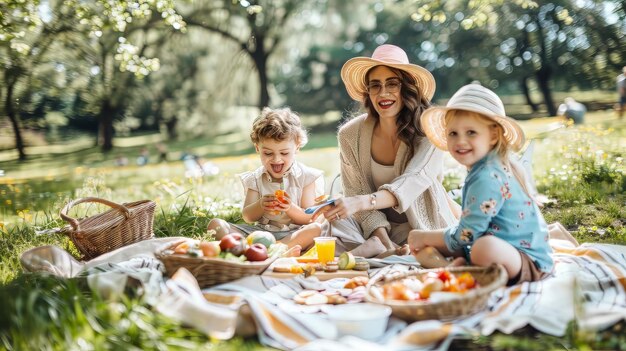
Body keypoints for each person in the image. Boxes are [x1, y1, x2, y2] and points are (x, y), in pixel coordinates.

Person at [312, 44, 460, 258]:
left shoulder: (430, 128)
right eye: (375, 85)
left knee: (430, 246)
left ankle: (372, 252)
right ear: (368, 92)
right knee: (335, 221)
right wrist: (384, 240)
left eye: (392, 84)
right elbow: (356, 190)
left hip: (420, 225)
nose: (383, 93)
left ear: (407, 87)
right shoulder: (349, 135)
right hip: (373, 228)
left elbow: (413, 181)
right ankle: (380, 249)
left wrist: (360, 201)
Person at [407, 84, 554, 285]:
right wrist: (425, 240)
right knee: (422, 248)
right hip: (487, 242)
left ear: (493, 135)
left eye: (471, 132)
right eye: (453, 133)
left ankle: (465, 269)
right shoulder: (482, 167)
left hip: (526, 260)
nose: (460, 141)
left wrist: (425, 236)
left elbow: (467, 234)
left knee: (482, 248)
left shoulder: (488, 176)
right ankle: (454, 269)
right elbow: (470, 229)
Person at [207, 107, 323, 251]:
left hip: (293, 234)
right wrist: (261, 205)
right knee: (216, 225)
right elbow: (248, 217)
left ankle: (271, 251)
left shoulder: (306, 177)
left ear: (297, 148)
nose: (276, 159)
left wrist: (289, 208)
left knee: (316, 229)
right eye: (268, 153)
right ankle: (265, 250)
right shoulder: (255, 179)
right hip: (260, 235)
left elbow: (309, 218)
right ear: (257, 148)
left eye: (284, 153)